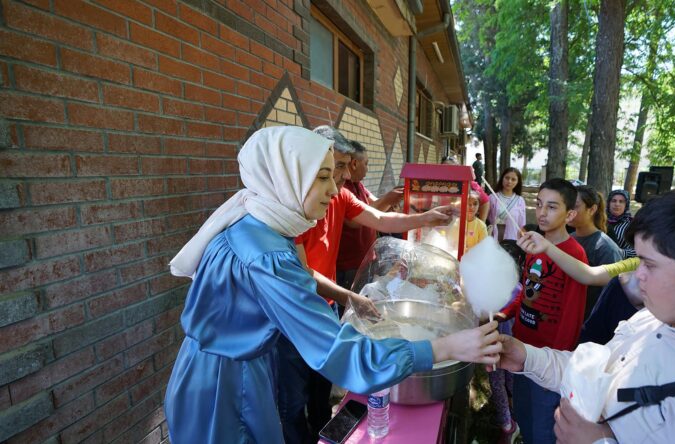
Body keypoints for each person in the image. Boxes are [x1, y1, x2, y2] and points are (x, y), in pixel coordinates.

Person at [163, 126, 503, 444]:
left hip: (208, 373)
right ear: (287, 177)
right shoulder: (267, 256)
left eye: (336, 174)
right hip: (227, 389)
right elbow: (337, 350)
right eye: (324, 176)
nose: (335, 187)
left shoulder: (251, 225)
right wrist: (444, 348)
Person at [498, 187, 675, 443]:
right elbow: (597, 369)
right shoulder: (661, 314)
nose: (637, 275)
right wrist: (526, 355)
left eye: (649, 264)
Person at [281, 126, 455, 443]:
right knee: (292, 398)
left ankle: (322, 434)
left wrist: (426, 217)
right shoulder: (294, 208)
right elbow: (302, 273)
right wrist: (353, 298)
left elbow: (381, 220)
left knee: (322, 385)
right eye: (339, 167)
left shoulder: (341, 195)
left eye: (347, 166)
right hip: (293, 315)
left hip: (326, 307)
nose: (347, 176)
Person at [500, 178, 588, 444]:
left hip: (549, 361)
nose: (541, 213)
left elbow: (572, 317)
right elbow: (527, 293)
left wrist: (555, 357)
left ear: (570, 214)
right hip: (521, 350)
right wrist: (504, 314)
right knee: (524, 415)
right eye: (538, 205)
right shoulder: (533, 246)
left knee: (543, 428)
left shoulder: (575, 255)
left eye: (551, 207)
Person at [336, 140, 403, 290]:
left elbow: (375, 204)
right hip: (349, 266)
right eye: (366, 163)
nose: (367, 168)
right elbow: (355, 221)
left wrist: (391, 201)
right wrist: (387, 199)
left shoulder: (358, 185)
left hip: (365, 260)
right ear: (354, 164)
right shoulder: (342, 188)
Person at [569, 185, 623, 318]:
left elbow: (612, 295)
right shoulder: (569, 239)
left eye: (575, 206)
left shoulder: (606, 249)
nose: (568, 211)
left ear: (592, 209)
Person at [441, 154, 490, 222]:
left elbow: (485, 201)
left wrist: (481, 222)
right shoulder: (435, 185)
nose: (448, 172)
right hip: (442, 225)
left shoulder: (469, 184)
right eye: (444, 169)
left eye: (452, 169)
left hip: (463, 224)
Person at [488, 167, 527, 242]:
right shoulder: (492, 197)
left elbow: (522, 224)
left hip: (513, 241)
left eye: (513, 179)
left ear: (517, 182)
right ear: (502, 178)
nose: (509, 181)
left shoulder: (520, 200)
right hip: (494, 239)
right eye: (507, 178)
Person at [606, 189, 636, 258]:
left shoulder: (632, 225)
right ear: (609, 203)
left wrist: (621, 252)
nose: (617, 204)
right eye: (614, 201)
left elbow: (639, 250)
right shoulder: (599, 219)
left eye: (621, 201)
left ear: (626, 205)